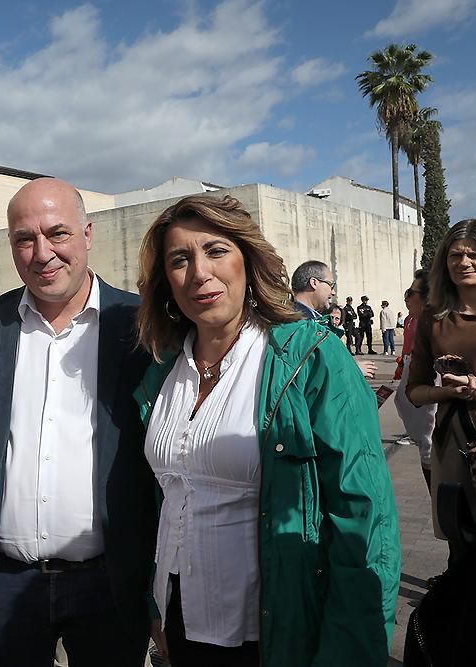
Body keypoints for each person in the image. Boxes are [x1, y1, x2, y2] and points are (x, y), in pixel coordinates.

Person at [133, 194, 400, 666]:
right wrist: (157, 609)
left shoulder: (310, 357)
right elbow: (169, 500)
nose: (199, 273)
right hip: (182, 620)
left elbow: (365, 517)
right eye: (180, 259)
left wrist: (350, 648)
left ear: (248, 260)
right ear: (165, 282)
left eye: (216, 251)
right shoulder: (163, 370)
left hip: (278, 629)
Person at [0, 178, 157, 667]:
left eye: (57, 234)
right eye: (25, 238)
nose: (42, 252)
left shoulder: (141, 323)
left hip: (109, 584)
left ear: (87, 234)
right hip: (7, 583)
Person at [404, 218, 476, 665]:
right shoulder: (435, 320)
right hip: (452, 444)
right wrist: (451, 391)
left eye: (474, 253)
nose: (464, 262)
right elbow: (414, 390)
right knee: (460, 546)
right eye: (456, 254)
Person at [290, 260, 376, 380]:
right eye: (331, 285)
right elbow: (307, 376)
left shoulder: (310, 321)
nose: (333, 292)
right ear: (314, 283)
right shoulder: (298, 324)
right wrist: (351, 370)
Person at [393, 270, 435, 489]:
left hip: (435, 453)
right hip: (426, 448)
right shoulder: (413, 321)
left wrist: (428, 453)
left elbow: (430, 412)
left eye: (411, 292)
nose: (407, 297)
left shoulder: (435, 337)